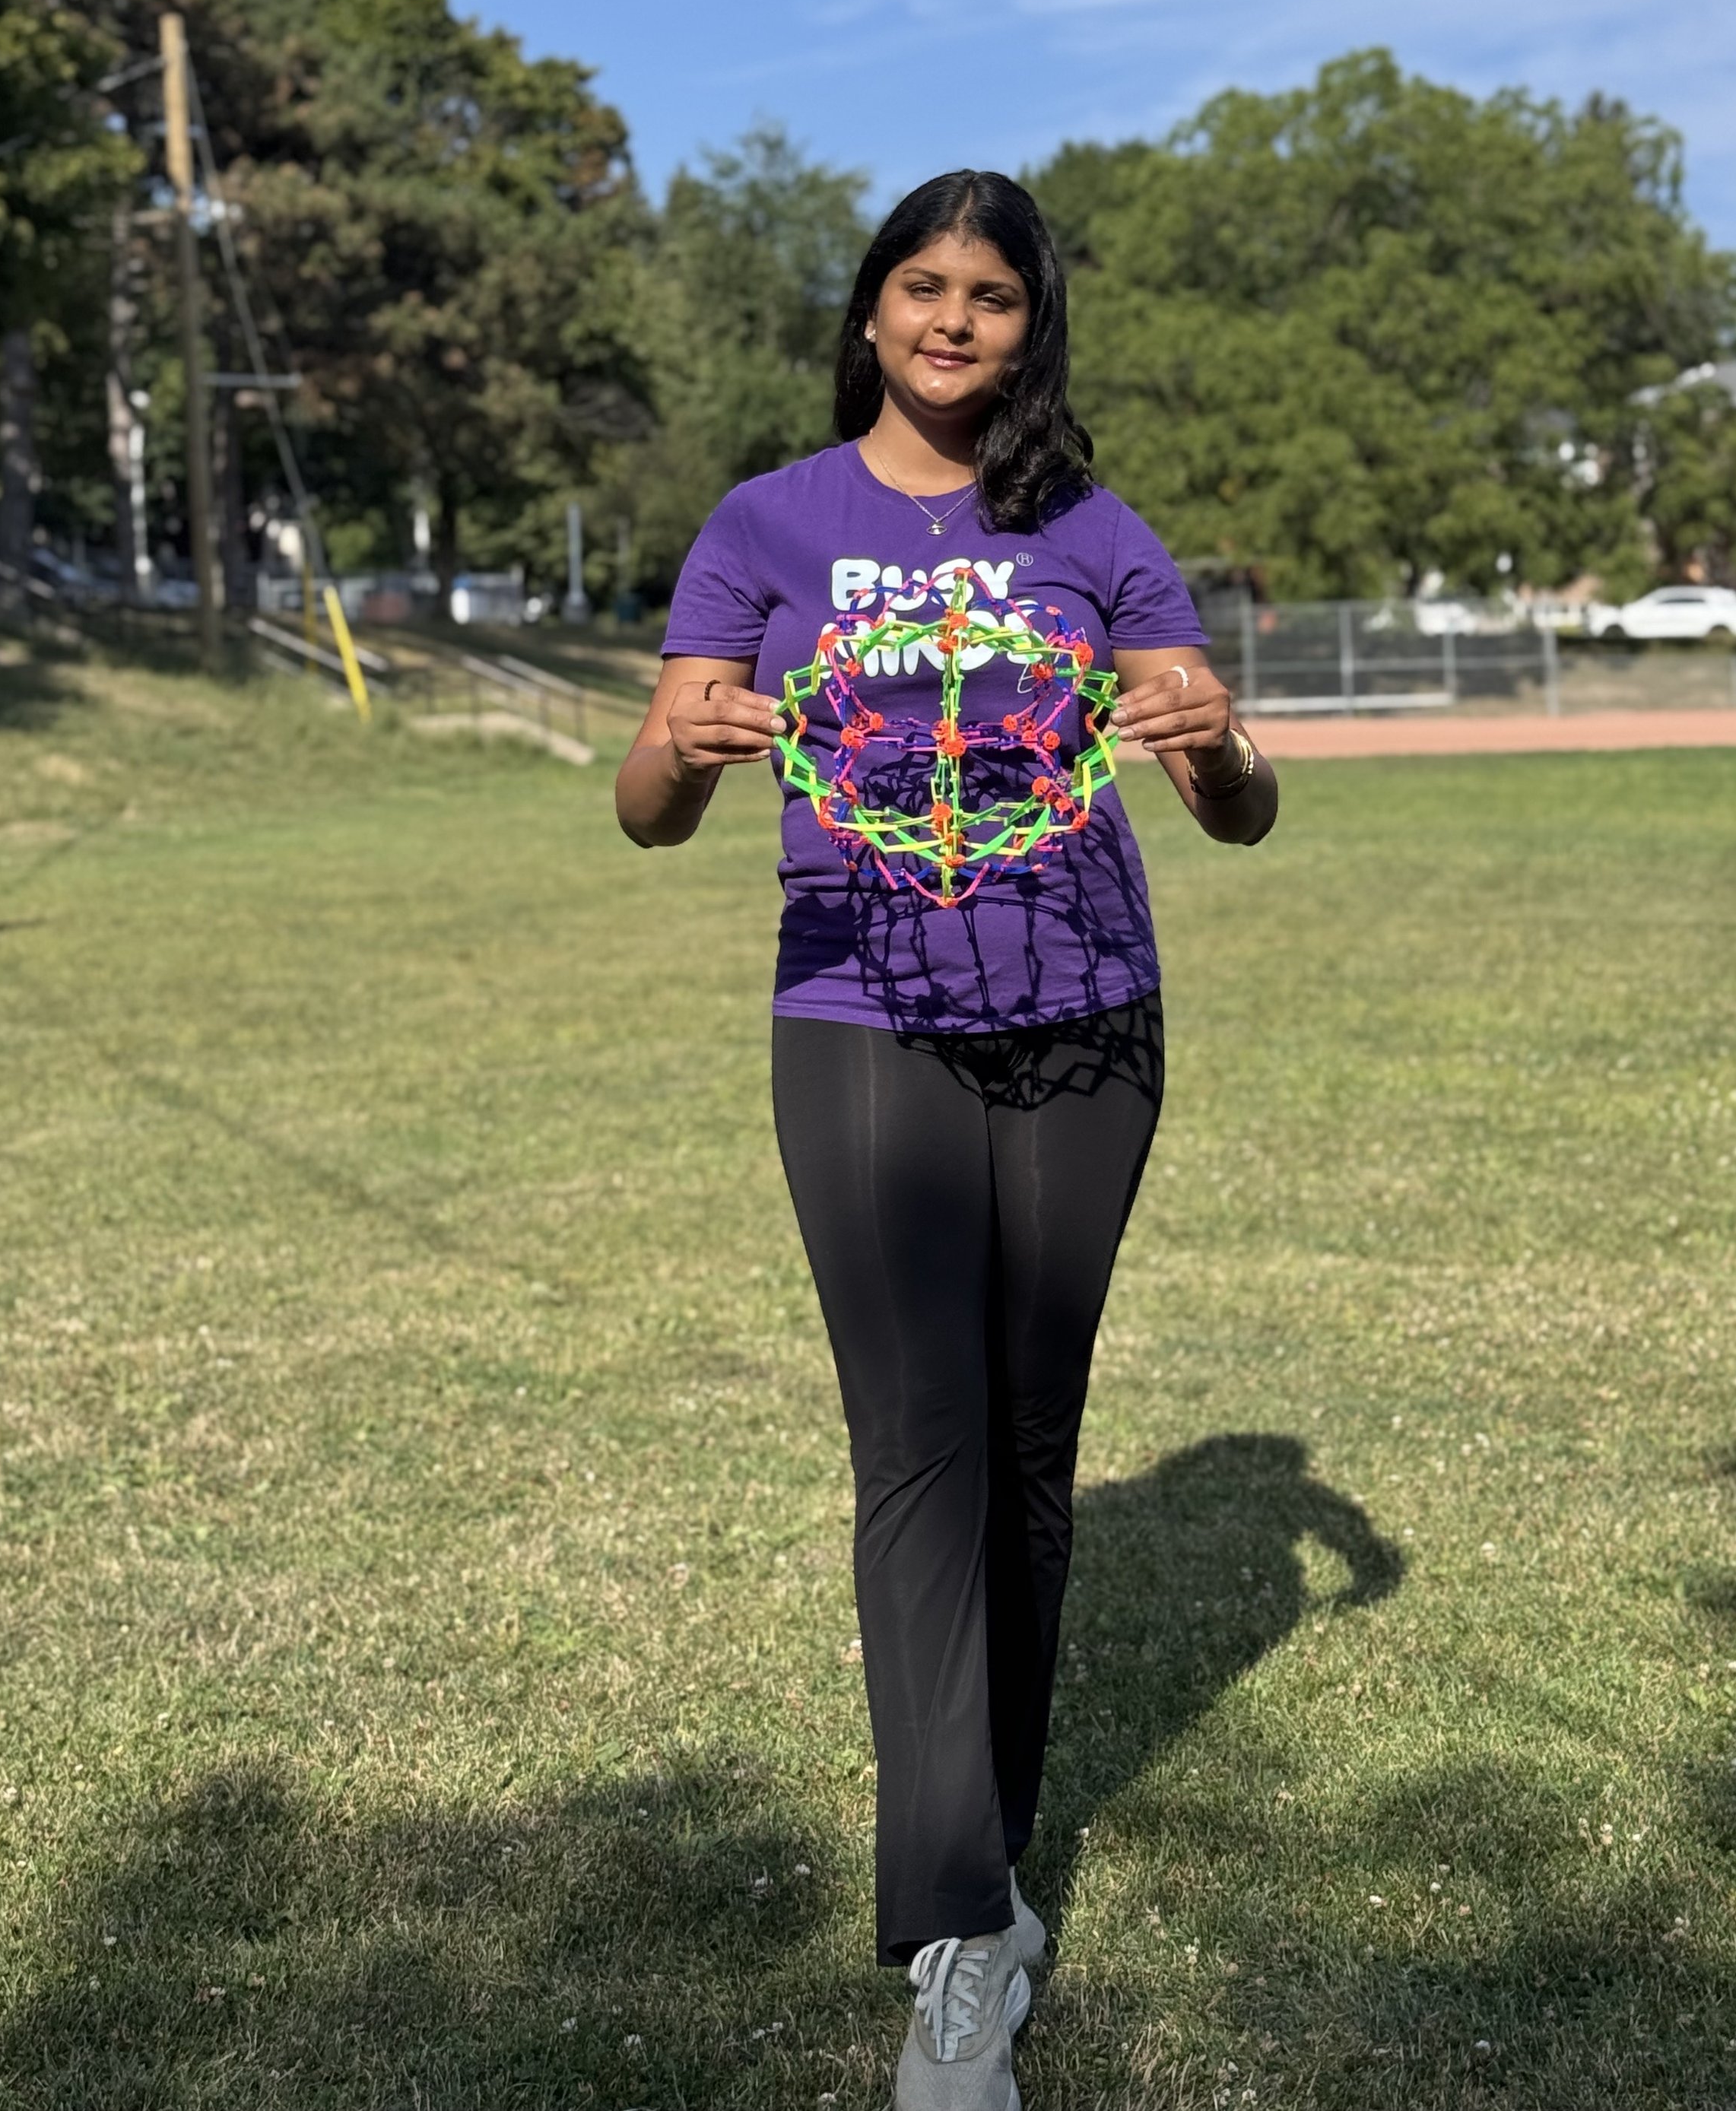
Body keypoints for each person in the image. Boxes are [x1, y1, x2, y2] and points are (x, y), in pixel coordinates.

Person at [616, 170, 1276, 2111]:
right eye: (922, 283)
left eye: (991, 293)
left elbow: (1232, 803)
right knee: (919, 1445)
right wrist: (680, 746)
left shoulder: (1092, 528)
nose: (953, 319)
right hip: (858, 1013)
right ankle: (958, 1933)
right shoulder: (767, 521)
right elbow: (649, 801)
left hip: (1086, 1019)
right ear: (871, 308)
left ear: (1027, 326)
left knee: (1027, 1451)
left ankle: (987, 1861)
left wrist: (1218, 743)